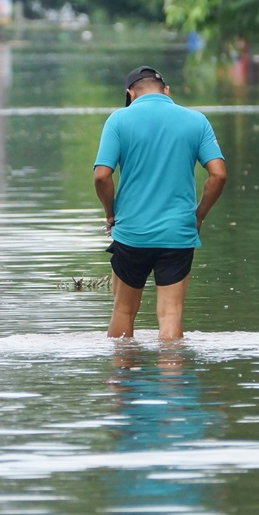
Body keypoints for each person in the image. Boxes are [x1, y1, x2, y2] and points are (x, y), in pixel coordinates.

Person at [93, 65, 228, 340]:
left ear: (130, 94)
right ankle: (173, 379)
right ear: (167, 91)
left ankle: (123, 378)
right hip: (178, 233)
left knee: (123, 312)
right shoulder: (196, 121)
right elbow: (219, 174)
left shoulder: (118, 120)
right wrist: (199, 215)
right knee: (170, 315)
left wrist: (111, 213)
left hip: (132, 232)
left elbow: (101, 176)